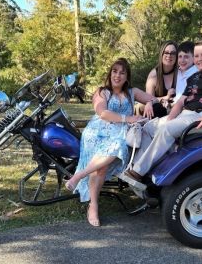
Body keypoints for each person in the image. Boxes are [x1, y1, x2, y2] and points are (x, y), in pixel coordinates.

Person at [123, 37, 202, 183]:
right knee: (149, 127)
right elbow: (181, 101)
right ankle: (141, 170)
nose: (199, 59)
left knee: (167, 129)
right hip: (185, 116)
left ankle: (137, 172)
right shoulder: (194, 77)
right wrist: (169, 118)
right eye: (196, 56)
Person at [65, 58, 158, 227]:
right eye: (115, 71)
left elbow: (154, 98)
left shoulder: (132, 92)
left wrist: (150, 103)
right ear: (110, 73)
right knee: (102, 165)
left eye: (122, 72)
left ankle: (79, 176)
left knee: (110, 155)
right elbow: (103, 113)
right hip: (99, 132)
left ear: (127, 76)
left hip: (119, 134)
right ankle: (93, 205)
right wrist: (127, 118)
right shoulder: (102, 92)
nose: (118, 75)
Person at [136, 41, 178, 117]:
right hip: (157, 110)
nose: (169, 55)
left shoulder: (180, 73)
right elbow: (148, 100)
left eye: (173, 53)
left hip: (175, 107)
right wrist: (166, 97)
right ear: (161, 54)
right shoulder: (153, 75)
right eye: (166, 52)